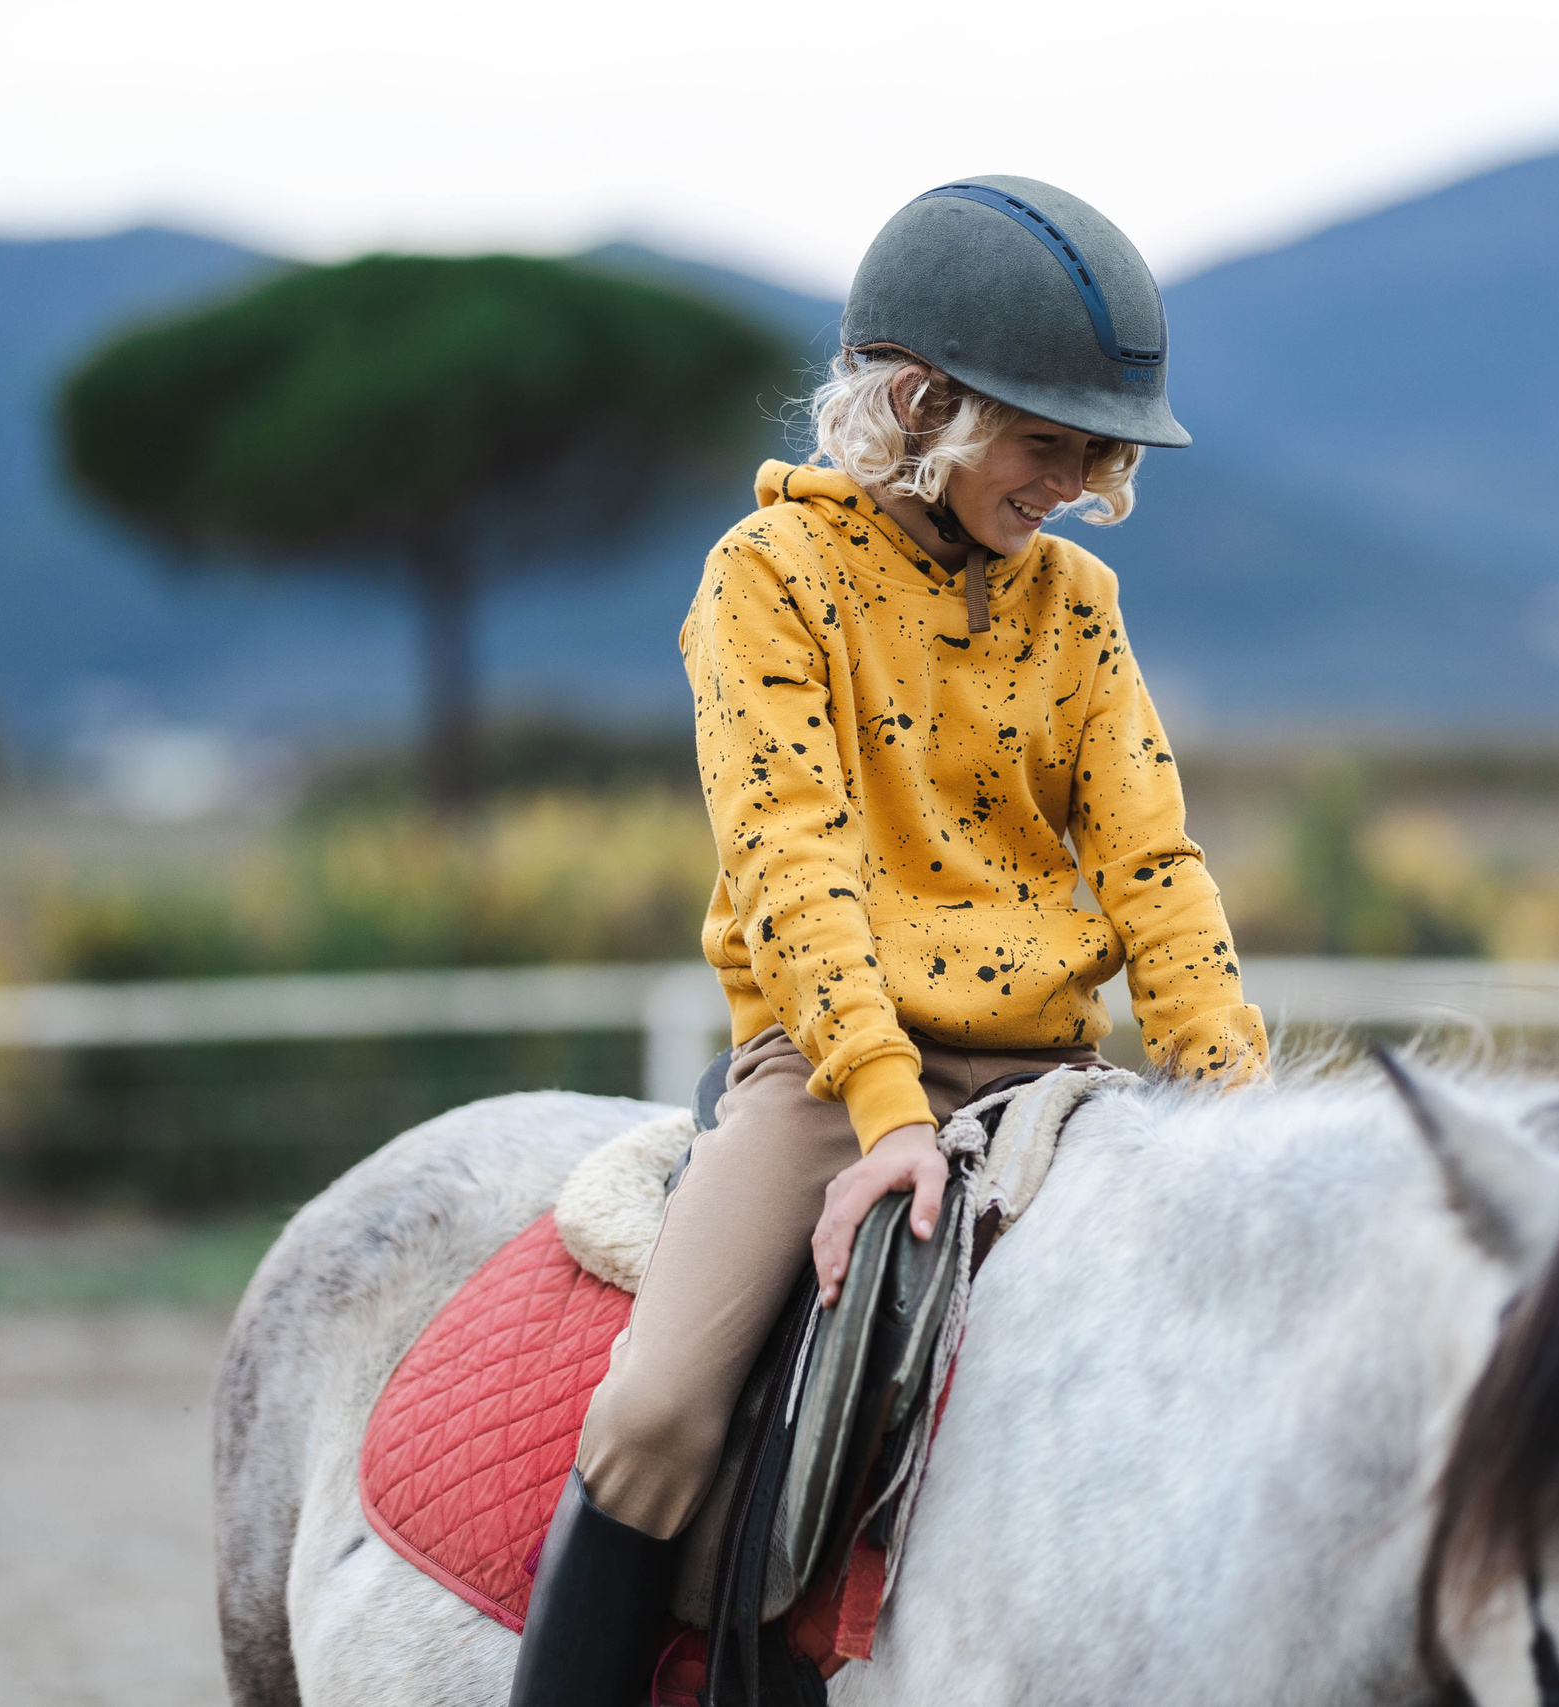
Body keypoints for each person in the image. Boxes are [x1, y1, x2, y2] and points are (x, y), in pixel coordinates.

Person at [509, 177, 1267, 1706]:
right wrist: (887, 1111)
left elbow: (1154, 866)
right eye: (1047, 440)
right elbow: (792, 861)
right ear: (922, 401)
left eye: (1099, 448)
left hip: (1051, 1069)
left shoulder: (1082, 605)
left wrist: (1237, 1098)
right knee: (655, 1409)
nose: (1077, 477)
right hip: (835, 1058)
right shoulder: (766, 580)